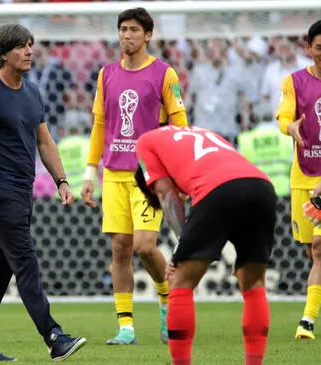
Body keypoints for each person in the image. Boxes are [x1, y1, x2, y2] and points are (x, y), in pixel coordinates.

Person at [0, 23, 86, 362]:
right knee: (25, 262)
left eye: (30, 45)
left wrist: (62, 181)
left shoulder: (31, 91)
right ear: (3, 54)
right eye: (21, 46)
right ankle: (53, 336)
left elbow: (44, 140)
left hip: (22, 189)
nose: (29, 51)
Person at [80, 7, 189, 345]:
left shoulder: (164, 74)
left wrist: (180, 173)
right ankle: (126, 326)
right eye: (122, 29)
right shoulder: (106, 74)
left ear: (148, 35)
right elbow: (100, 125)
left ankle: (165, 296)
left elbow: (179, 126)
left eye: (133, 30)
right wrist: (89, 172)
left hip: (148, 176)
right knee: (120, 249)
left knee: (145, 246)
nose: (126, 35)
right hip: (113, 173)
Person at [135, 125, 275, 365]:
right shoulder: (207, 133)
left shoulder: (145, 142)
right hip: (261, 186)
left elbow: (167, 194)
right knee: (253, 284)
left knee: (180, 281)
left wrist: (180, 249)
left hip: (217, 189)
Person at [277, 19, 321, 340]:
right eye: (320, 48)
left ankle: (306, 321)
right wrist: (289, 127)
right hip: (303, 179)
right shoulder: (294, 81)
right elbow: (285, 113)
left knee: (320, 249)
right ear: (309, 48)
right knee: (311, 252)